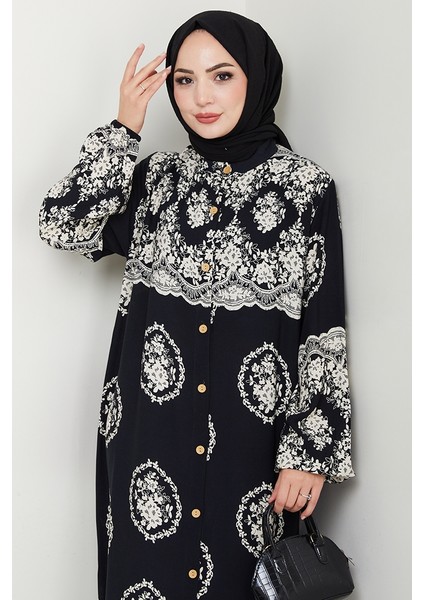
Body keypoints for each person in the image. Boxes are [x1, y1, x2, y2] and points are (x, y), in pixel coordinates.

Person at [39, 10, 354, 600]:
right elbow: (63, 225)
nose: (201, 98)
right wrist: (124, 127)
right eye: (184, 80)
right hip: (149, 439)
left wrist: (310, 453)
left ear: (257, 78)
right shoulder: (156, 181)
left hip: (252, 445)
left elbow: (323, 329)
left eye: (222, 76)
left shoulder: (306, 189)